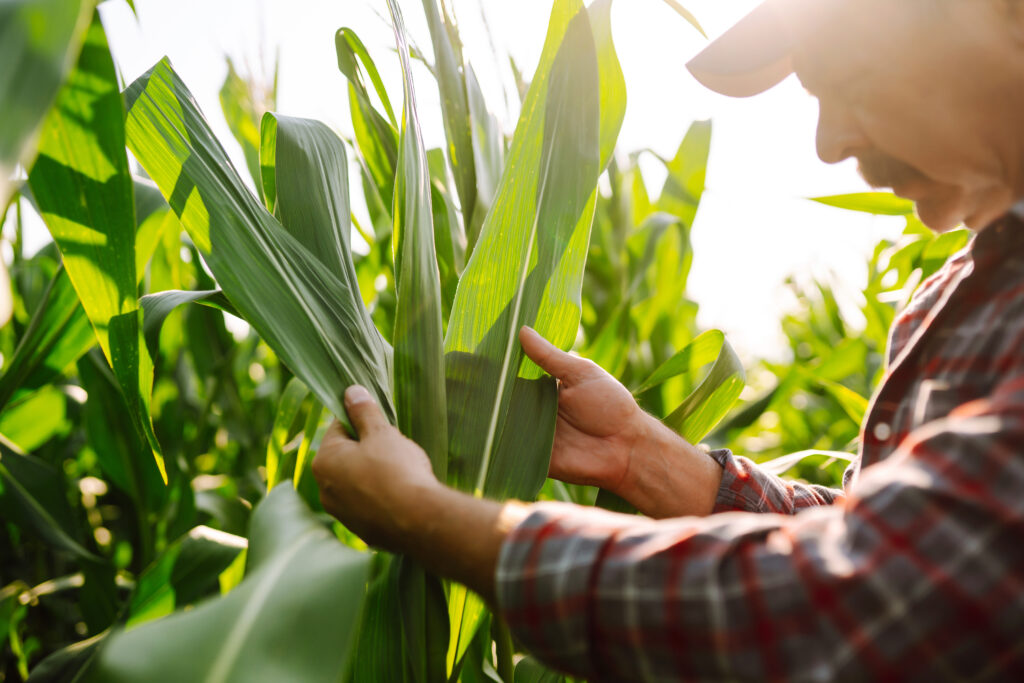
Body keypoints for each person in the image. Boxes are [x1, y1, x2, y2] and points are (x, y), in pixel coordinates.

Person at [312, 0, 1024, 678]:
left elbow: (850, 604)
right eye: (816, 93)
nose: (828, 142)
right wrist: (642, 456)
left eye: (852, 78)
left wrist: (427, 517)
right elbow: (886, 535)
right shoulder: (962, 294)